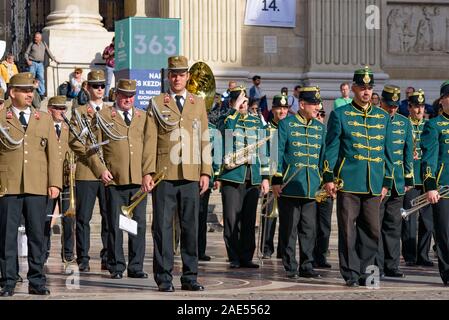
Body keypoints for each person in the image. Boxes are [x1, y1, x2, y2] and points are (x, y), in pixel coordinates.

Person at [141, 55, 211, 292]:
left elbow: (204, 138)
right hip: (164, 174)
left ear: (188, 77)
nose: (177, 78)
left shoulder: (197, 103)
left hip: (191, 173)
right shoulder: (158, 102)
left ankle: (190, 276)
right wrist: (147, 171)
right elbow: (150, 139)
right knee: (162, 227)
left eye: (181, 74)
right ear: (168, 76)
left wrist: (206, 171)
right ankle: (163, 277)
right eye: (173, 74)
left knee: (191, 226)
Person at [323, 67, 394, 287]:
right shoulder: (340, 114)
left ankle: (367, 273)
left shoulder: (382, 116)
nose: (366, 92)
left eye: (369, 88)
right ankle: (351, 273)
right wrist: (329, 177)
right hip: (349, 182)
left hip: (373, 183)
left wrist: (386, 182)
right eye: (362, 88)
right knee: (347, 229)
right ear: (353, 88)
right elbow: (332, 148)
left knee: (372, 230)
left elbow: (388, 152)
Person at [0, 72, 62, 297]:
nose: (29, 94)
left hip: (37, 185)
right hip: (8, 184)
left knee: (38, 235)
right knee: (6, 236)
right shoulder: (1, 117)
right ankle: (8, 280)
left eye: (32, 90)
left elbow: (53, 154)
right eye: (24, 90)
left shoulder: (43, 118)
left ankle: (37, 280)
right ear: (12, 92)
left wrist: (55, 182)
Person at [88, 79, 148, 279]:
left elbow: (149, 147)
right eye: (124, 95)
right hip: (114, 179)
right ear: (116, 95)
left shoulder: (142, 116)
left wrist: (149, 173)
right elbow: (91, 147)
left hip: (138, 181)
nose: (128, 99)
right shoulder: (104, 116)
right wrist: (100, 169)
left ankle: (136, 266)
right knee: (115, 224)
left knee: (137, 224)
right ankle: (116, 265)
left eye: (131, 96)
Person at [272, 87, 325, 279]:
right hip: (290, 185)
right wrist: (276, 179)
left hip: (311, 186)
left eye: (318, 104)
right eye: (313, 104)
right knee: (289, 228)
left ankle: (307, 265)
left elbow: (323, 157)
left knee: (309, 229)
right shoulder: (286, 124)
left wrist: (324, 180)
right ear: (302, 105)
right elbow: (277, 152)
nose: (317, 107)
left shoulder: (320, 128)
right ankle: (290, 265)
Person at [218, 86, 270, 269]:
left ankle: (247, 255)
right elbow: (225, 134)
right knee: (232, 219)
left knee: (248, 219)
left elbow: (264, 150)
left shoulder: (256, 123)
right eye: (240, 101)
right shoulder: (226, 119)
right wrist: (234, 110)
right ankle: (233, 256)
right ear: (232, 102)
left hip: (253, 177)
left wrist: (265, 177)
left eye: (245, 101)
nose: (243, 105)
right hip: (233, 176)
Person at [68, 70, 110, 272]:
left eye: (102, 85)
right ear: (87, 87)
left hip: (108, 172)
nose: (99, 89)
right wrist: (96, 163)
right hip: (87, 171)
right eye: (95, 85)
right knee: (84, 218)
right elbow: (75, 142)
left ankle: (107, 255)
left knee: (109, 216)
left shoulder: (111, 111)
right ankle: (83, 257)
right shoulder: (79, 112)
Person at [376, 85, 414, 278]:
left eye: (395, 106)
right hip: (377, 181)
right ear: (381, 102)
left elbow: (408, 151)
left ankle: (392, 264)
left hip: (397, 181)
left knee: (393, 225)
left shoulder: (404, 122)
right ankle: (378, 265)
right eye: (389, 105)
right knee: (376, 224)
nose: (392, 110)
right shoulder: (375, 119)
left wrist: (408, 177)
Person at [401, 89, 434, 267]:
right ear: (410, 107)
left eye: (421, 106)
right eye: (416, 107)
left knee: (428, 221)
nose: (420, 110)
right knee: (410, 220)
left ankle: (424, 254)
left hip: (427, 178)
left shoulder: (429, 125)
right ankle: (410, 255)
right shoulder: (404, 124)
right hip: (411, 179)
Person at [421, 80, 449, 285]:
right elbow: (429, 158)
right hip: (443, 188)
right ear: (443, 100)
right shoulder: (434, 125)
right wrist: (430, 185)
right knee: (445, 234)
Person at [43, 96, 74, 264]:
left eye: (64, 108)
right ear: (50, 109)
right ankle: (44, 250)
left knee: (69, 218)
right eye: (58, 108)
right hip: (48, 180)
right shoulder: (43, 127)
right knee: (46, 217)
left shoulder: (69, 128)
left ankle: (68, 252)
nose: (62, 111)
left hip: (66, 179)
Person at [260, 94, 289, 260]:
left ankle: (283, 250)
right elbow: (263, 155)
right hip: (271, 178)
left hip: (286, 178)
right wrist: (264, 177)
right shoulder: (266, 130)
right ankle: (266, 248)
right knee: (269, 215)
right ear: (273, 109)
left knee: (286, 217)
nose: (282, 111)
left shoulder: (291, 128)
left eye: (285, 108)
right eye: (279, 108)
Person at [24, 32, 59, 98]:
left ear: (40, 38)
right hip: (32, 63)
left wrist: (54, 60)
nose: (35, 38)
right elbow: (26, 53)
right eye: (35, 37)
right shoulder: (32, 44)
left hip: (40, 64)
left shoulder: (44, 44)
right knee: (31, 78)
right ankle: (29, 91)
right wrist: (28, 61)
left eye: (36, 37)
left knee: (41, 78)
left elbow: (48, 52)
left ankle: (41, 93)